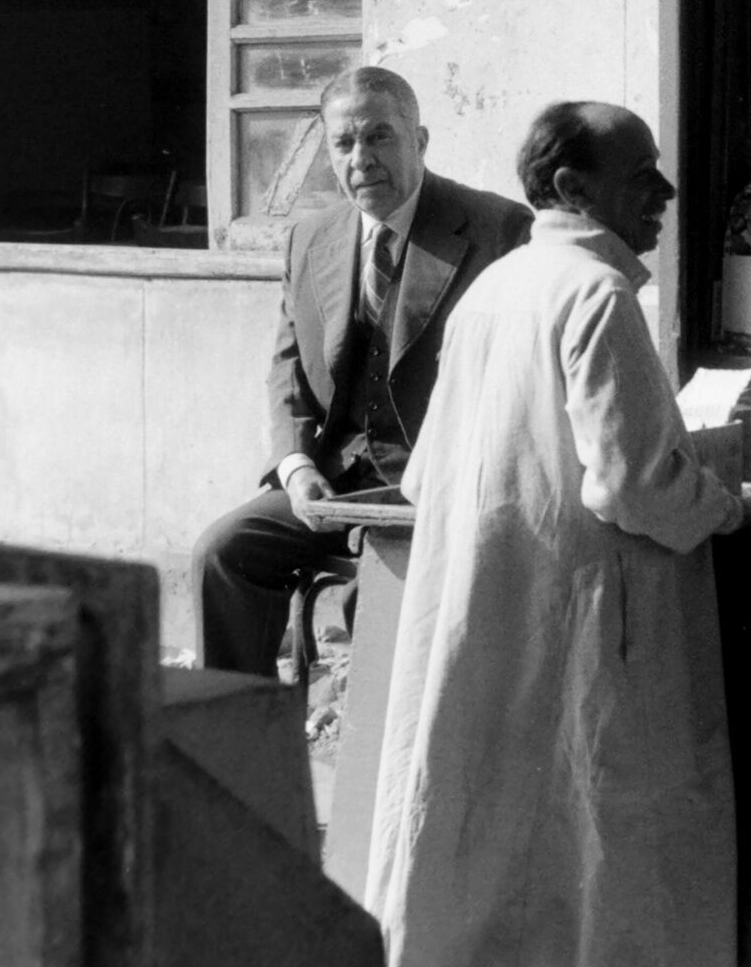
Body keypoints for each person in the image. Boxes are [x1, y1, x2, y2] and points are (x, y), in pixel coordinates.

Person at [365, 101, 751, 967]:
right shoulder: (596, 297)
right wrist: (725, 505)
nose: (663, 193)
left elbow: (427, 472)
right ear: (575, 187)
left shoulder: (497, 290)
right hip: (592, 638)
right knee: (606, 892)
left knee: (508, 897)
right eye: (641, 174)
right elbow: (633, 484)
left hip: (492, 635)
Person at [191, 66, 530, 682]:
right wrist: (297, 469)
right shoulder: (310, 237)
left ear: (419, 141)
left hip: (443, 488)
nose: (361, 160)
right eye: (343, 143)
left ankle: (374, 737)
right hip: (337, 481)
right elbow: (288, 369)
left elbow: (519, 386)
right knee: (225, 553)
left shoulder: (497, 230)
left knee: (374, 602)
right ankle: (240, 729)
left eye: (379, 137)